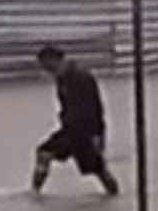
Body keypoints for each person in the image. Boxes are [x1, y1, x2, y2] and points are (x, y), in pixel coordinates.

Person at [32, 45, 119, 196]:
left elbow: (95, 107)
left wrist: (98, 134)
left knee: (98, 169)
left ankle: (114, 195)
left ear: (54, 60)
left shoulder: (80, 76)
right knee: (43, 153)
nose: (45, 70)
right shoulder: (62, 78)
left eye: (45, 65)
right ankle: (35, 193)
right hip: (70, 129)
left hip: (85, 132)